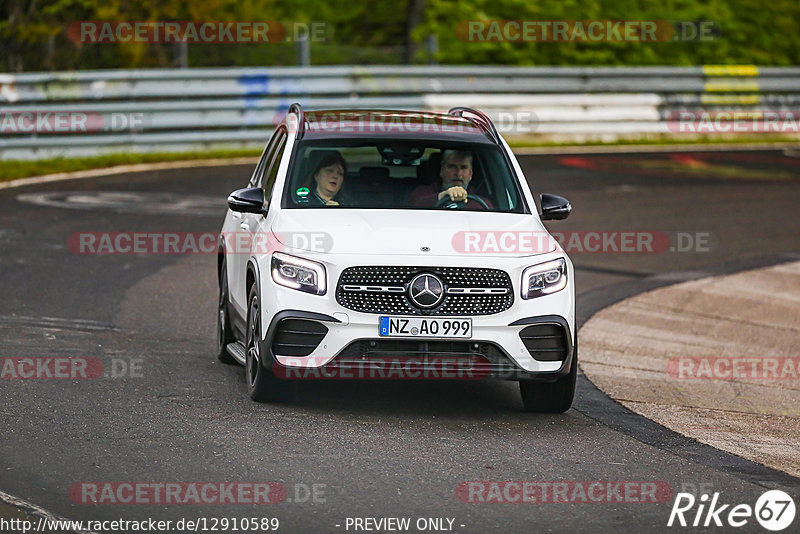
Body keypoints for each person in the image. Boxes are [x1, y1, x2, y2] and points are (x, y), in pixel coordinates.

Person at [409, 149, 492, 209]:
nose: (458, 173)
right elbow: (414, 207)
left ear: (470, 174)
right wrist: (443, 196)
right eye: (452, 167)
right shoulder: (422, 193)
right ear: (441, 170)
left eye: (463, 168)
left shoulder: (483, 203)